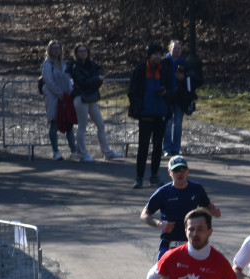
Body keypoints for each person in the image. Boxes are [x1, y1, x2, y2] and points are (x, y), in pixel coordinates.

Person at [140, 155, 220, 260]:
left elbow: (207, 206)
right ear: (169, 172)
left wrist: (213, 212)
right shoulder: (163, 192)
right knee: (163, 273)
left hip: (192, 242)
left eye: (182, 169)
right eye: (176, 170)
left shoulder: (196, 189)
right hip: (169, 243)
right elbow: (144, 214)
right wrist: (159, 224)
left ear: (188, 171)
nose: (179, 173)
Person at [69, 44, 122, 162]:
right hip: (81, 97)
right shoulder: (75, 67)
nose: (83, 53)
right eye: (80, 51)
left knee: (101, 124)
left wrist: (99, 80)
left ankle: (107, 152)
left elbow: (96, 83)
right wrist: (97, 79)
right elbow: (82, 82)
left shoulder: (93, 65)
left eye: (85, 51)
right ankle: (82, 154)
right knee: (82, 126)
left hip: (92, 97)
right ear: (76, 54)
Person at [128, 43, 169, 189]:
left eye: (160, 54)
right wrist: (138, 107)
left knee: (158, 146)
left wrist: (165, 93)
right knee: (143, 146)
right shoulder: (140, 69)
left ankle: (154, 175)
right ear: (149, 55)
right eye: (155, 54)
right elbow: (132, 91)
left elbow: (170, 87)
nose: (158, 57)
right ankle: (139, 177)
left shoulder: (164, 69)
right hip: (145, 113)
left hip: (161, 113)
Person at [41, 40, 77, 161]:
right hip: (53, 97)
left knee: (69, 123)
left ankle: (74, 151)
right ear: (49, 50)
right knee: (54, 123)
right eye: (54, 48)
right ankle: (55, 151)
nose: (56, 50)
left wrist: (69, 94)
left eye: (58, 48)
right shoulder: (47, 65)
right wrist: (60, 94)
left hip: (66, 97)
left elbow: (68, 80)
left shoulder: (64, 64)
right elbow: (49, 82)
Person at [161, 40, 186, 157]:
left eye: (179, 48)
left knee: (178, 123)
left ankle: (176, 148)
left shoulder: (185, 63)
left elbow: (191, 80)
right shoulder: (163, 62)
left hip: (180, 96)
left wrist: (183, 79)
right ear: (169, 49)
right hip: (166, 96)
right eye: (174, 48)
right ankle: (167, 148)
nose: (176, 50)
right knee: (167, 123)